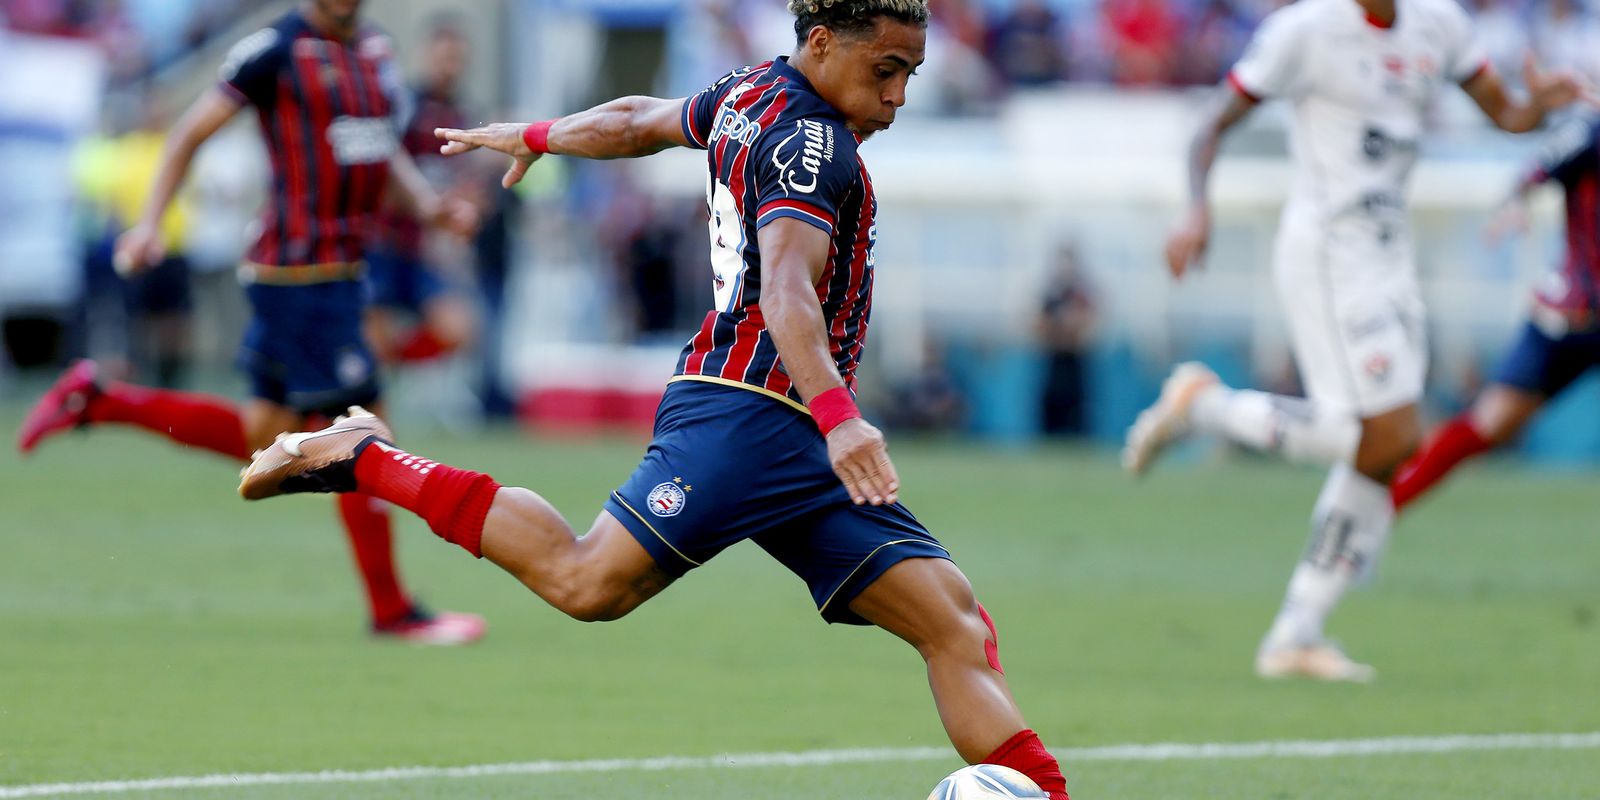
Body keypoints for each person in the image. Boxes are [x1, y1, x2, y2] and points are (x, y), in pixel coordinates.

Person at [239, 1, 1071, 796]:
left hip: (793, 429)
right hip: (752, 415)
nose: (896, 95)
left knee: (952, 622)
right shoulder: (813, 143)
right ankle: (365, 457)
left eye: (909, 74)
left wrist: (541, 134)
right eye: (885, 69)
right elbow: (786, 288)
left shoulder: (749, 89)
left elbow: (639, 119)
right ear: (821, 43)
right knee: (586, 581)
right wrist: (840, 418)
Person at [1122, 0, 1592, 681]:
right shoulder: (1304, 31)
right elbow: (1212, 124)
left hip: (1390, 254)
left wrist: (1539, 105)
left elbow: (1509, 115)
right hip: (1327, 251)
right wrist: (1196, 207)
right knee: (1387, 435)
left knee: (1383, 448)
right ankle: (1206, 408)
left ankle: (1296, 634)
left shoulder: (1440, 24)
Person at [15, 0, 486, 645]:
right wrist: (150, 225)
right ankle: (391, 610)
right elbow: (189, 133)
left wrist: (429, 207)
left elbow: (379, 149)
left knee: (262, 437)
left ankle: (100, 400)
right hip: (302, 274)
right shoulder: (274, 50)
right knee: (364, 435)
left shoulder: (374, 51)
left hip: (337, 270)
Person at [1391, 114, 1600, 511]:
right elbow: (1533, 172)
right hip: (1573, 318)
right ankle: (1380, 508)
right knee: (1493, 421)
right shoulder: (1589, 131)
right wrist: (1515, 204)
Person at [364, 18, 478, 369]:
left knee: (459, 329)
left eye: (455, 59)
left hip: (423, 252)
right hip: (383, 242)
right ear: (426, 56)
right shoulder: (405, 106)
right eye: (443, 58)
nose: (449, 68)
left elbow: (465, 181)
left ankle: (395, 363)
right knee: (373, 341)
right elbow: (381, 163)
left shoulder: (464, 115)